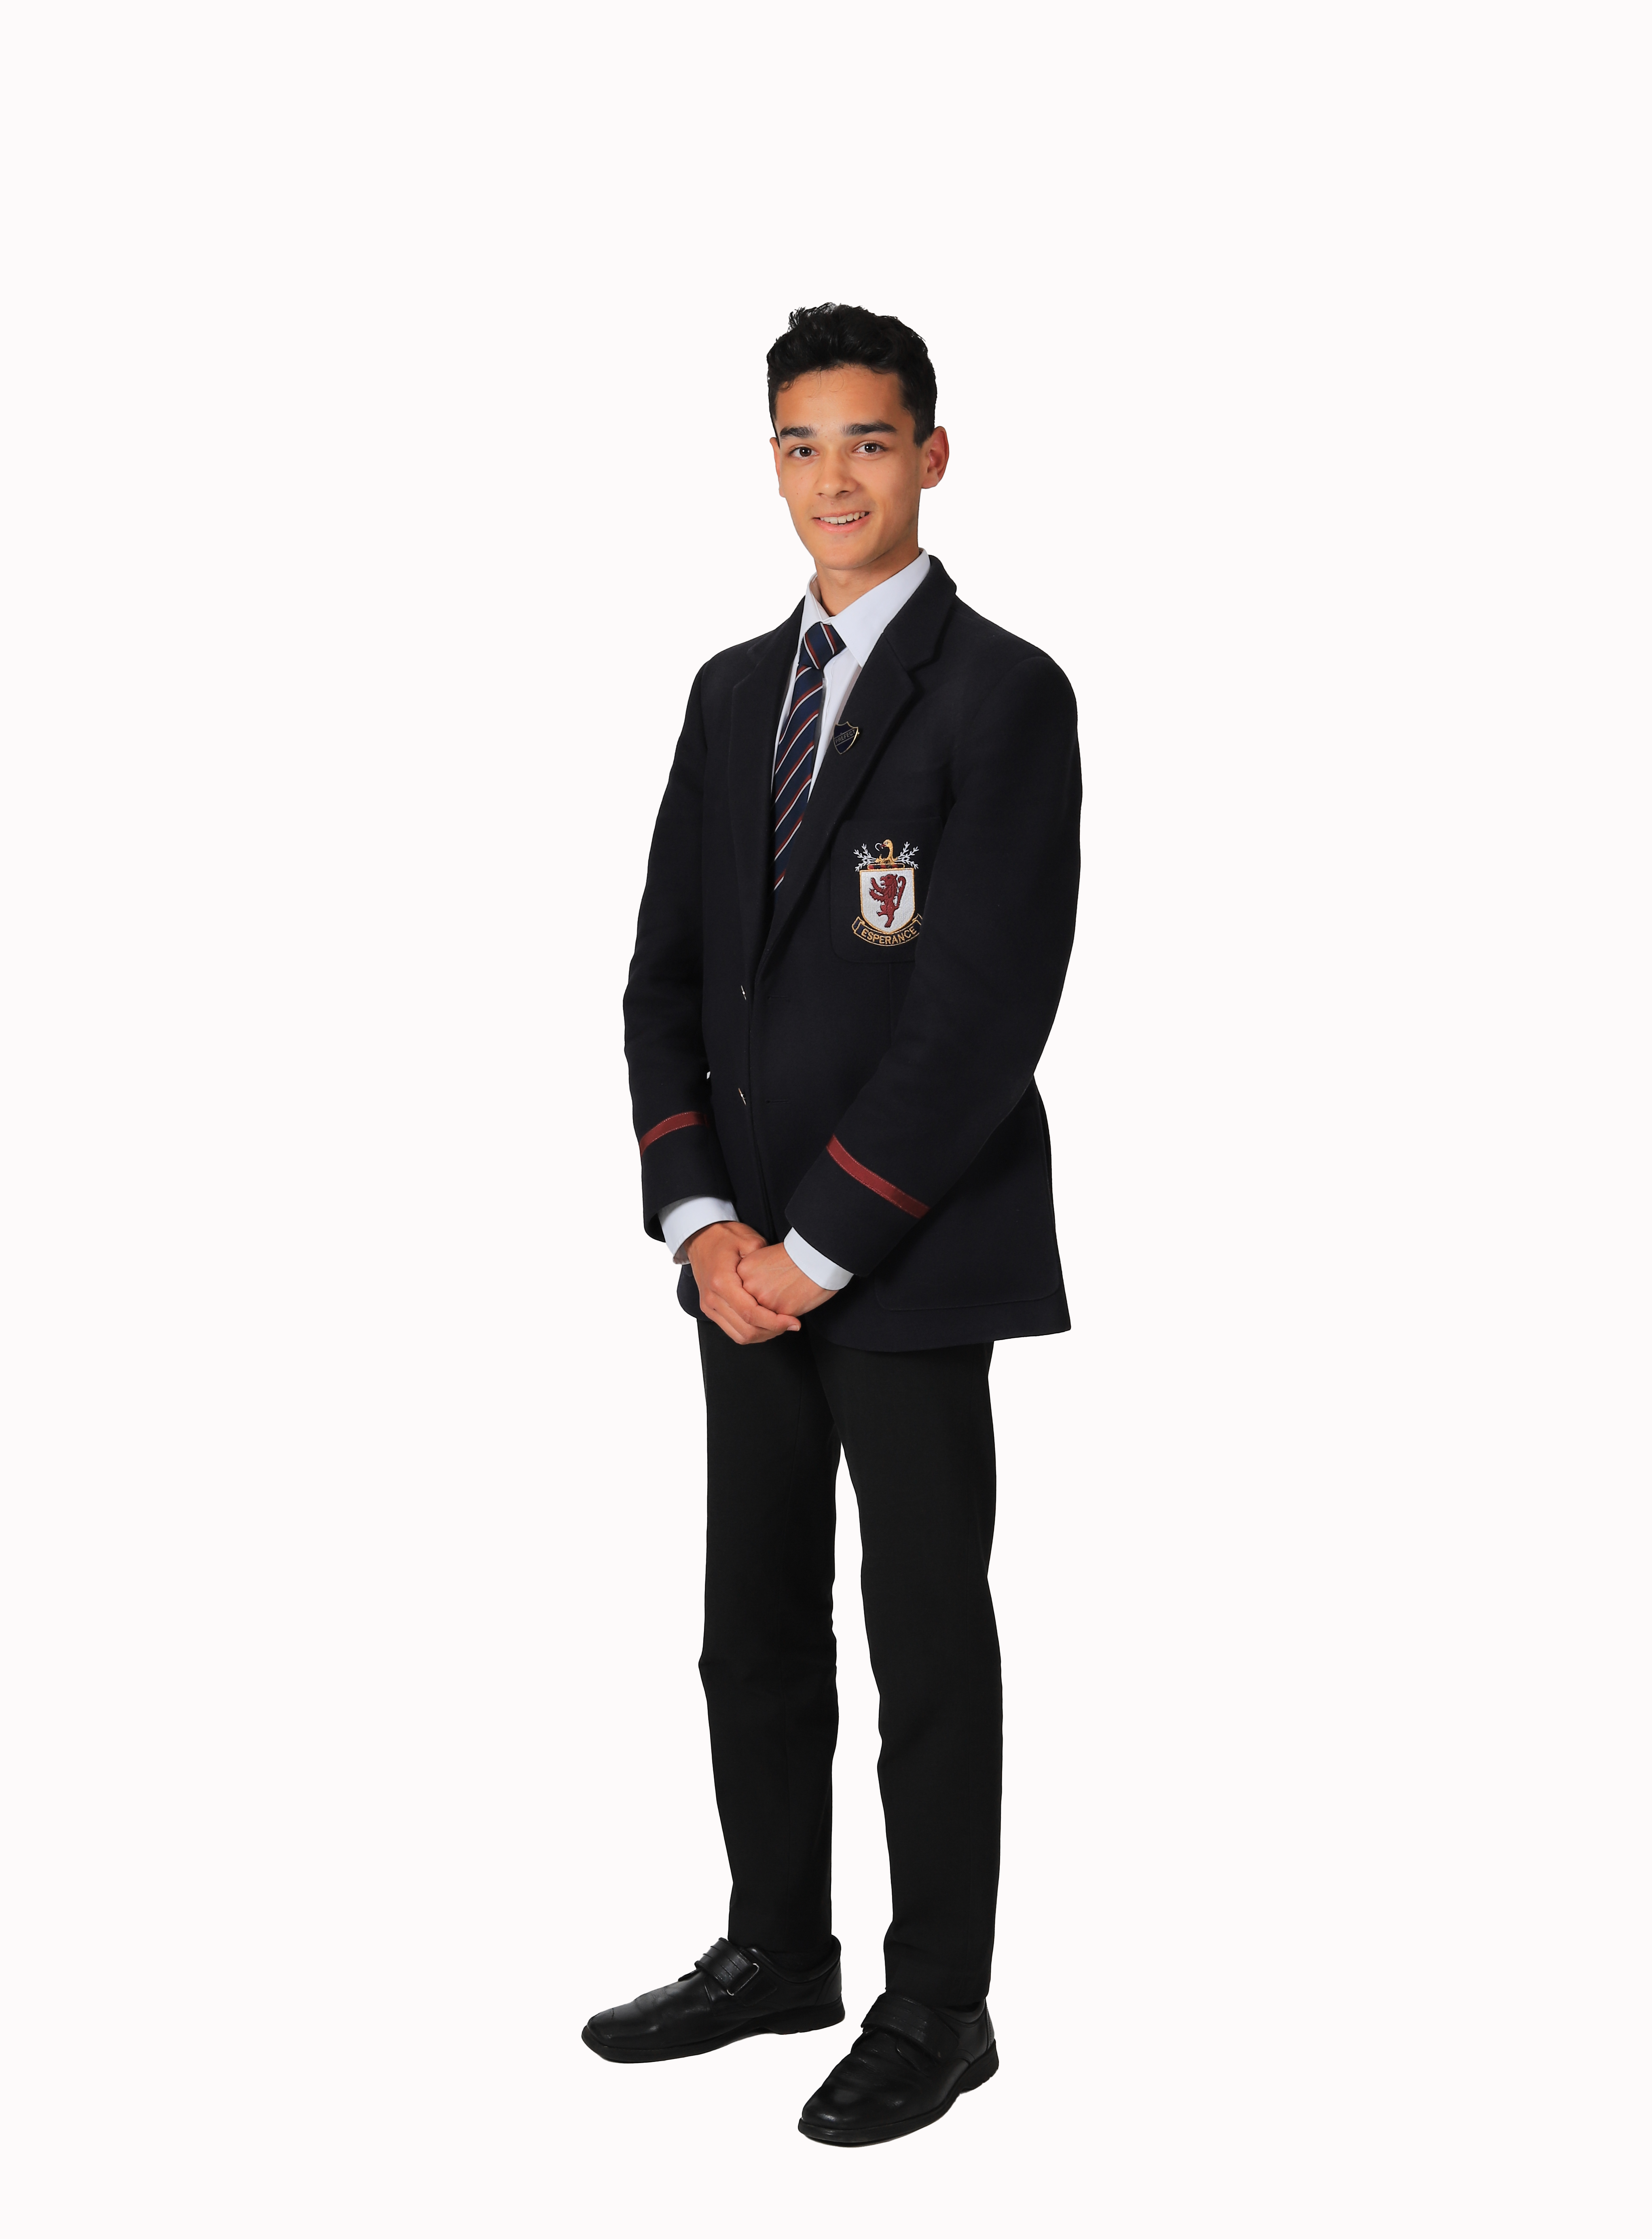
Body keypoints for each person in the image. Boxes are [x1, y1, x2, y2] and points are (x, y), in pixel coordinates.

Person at [586, 303, 1081, 2148]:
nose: (834, 480)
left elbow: (978, 1017)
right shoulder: (733, 695)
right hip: (742, 1272)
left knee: (924, 1638)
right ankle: (777, 1948)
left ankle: (938, 2002)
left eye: (869, 441)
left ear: (930, 455)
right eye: (801, 445)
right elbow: (663, 976)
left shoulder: (1001, 694)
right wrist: (704, 1222)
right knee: (753, 1623)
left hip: (901, 1259)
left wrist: (820, 1248)